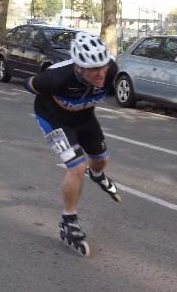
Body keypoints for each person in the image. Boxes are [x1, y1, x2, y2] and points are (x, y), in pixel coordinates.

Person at [27, 32, 120, 256]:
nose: (101, 73)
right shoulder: (56, 78)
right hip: (54, 119)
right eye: (93, 69)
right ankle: (69, 220)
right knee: (77, 166)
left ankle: (97, 175)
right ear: (79, 68)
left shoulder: (111, 70)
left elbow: (104, 73)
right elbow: (29, 84)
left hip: (84, 117)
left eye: (103, 66)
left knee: (101, 160)